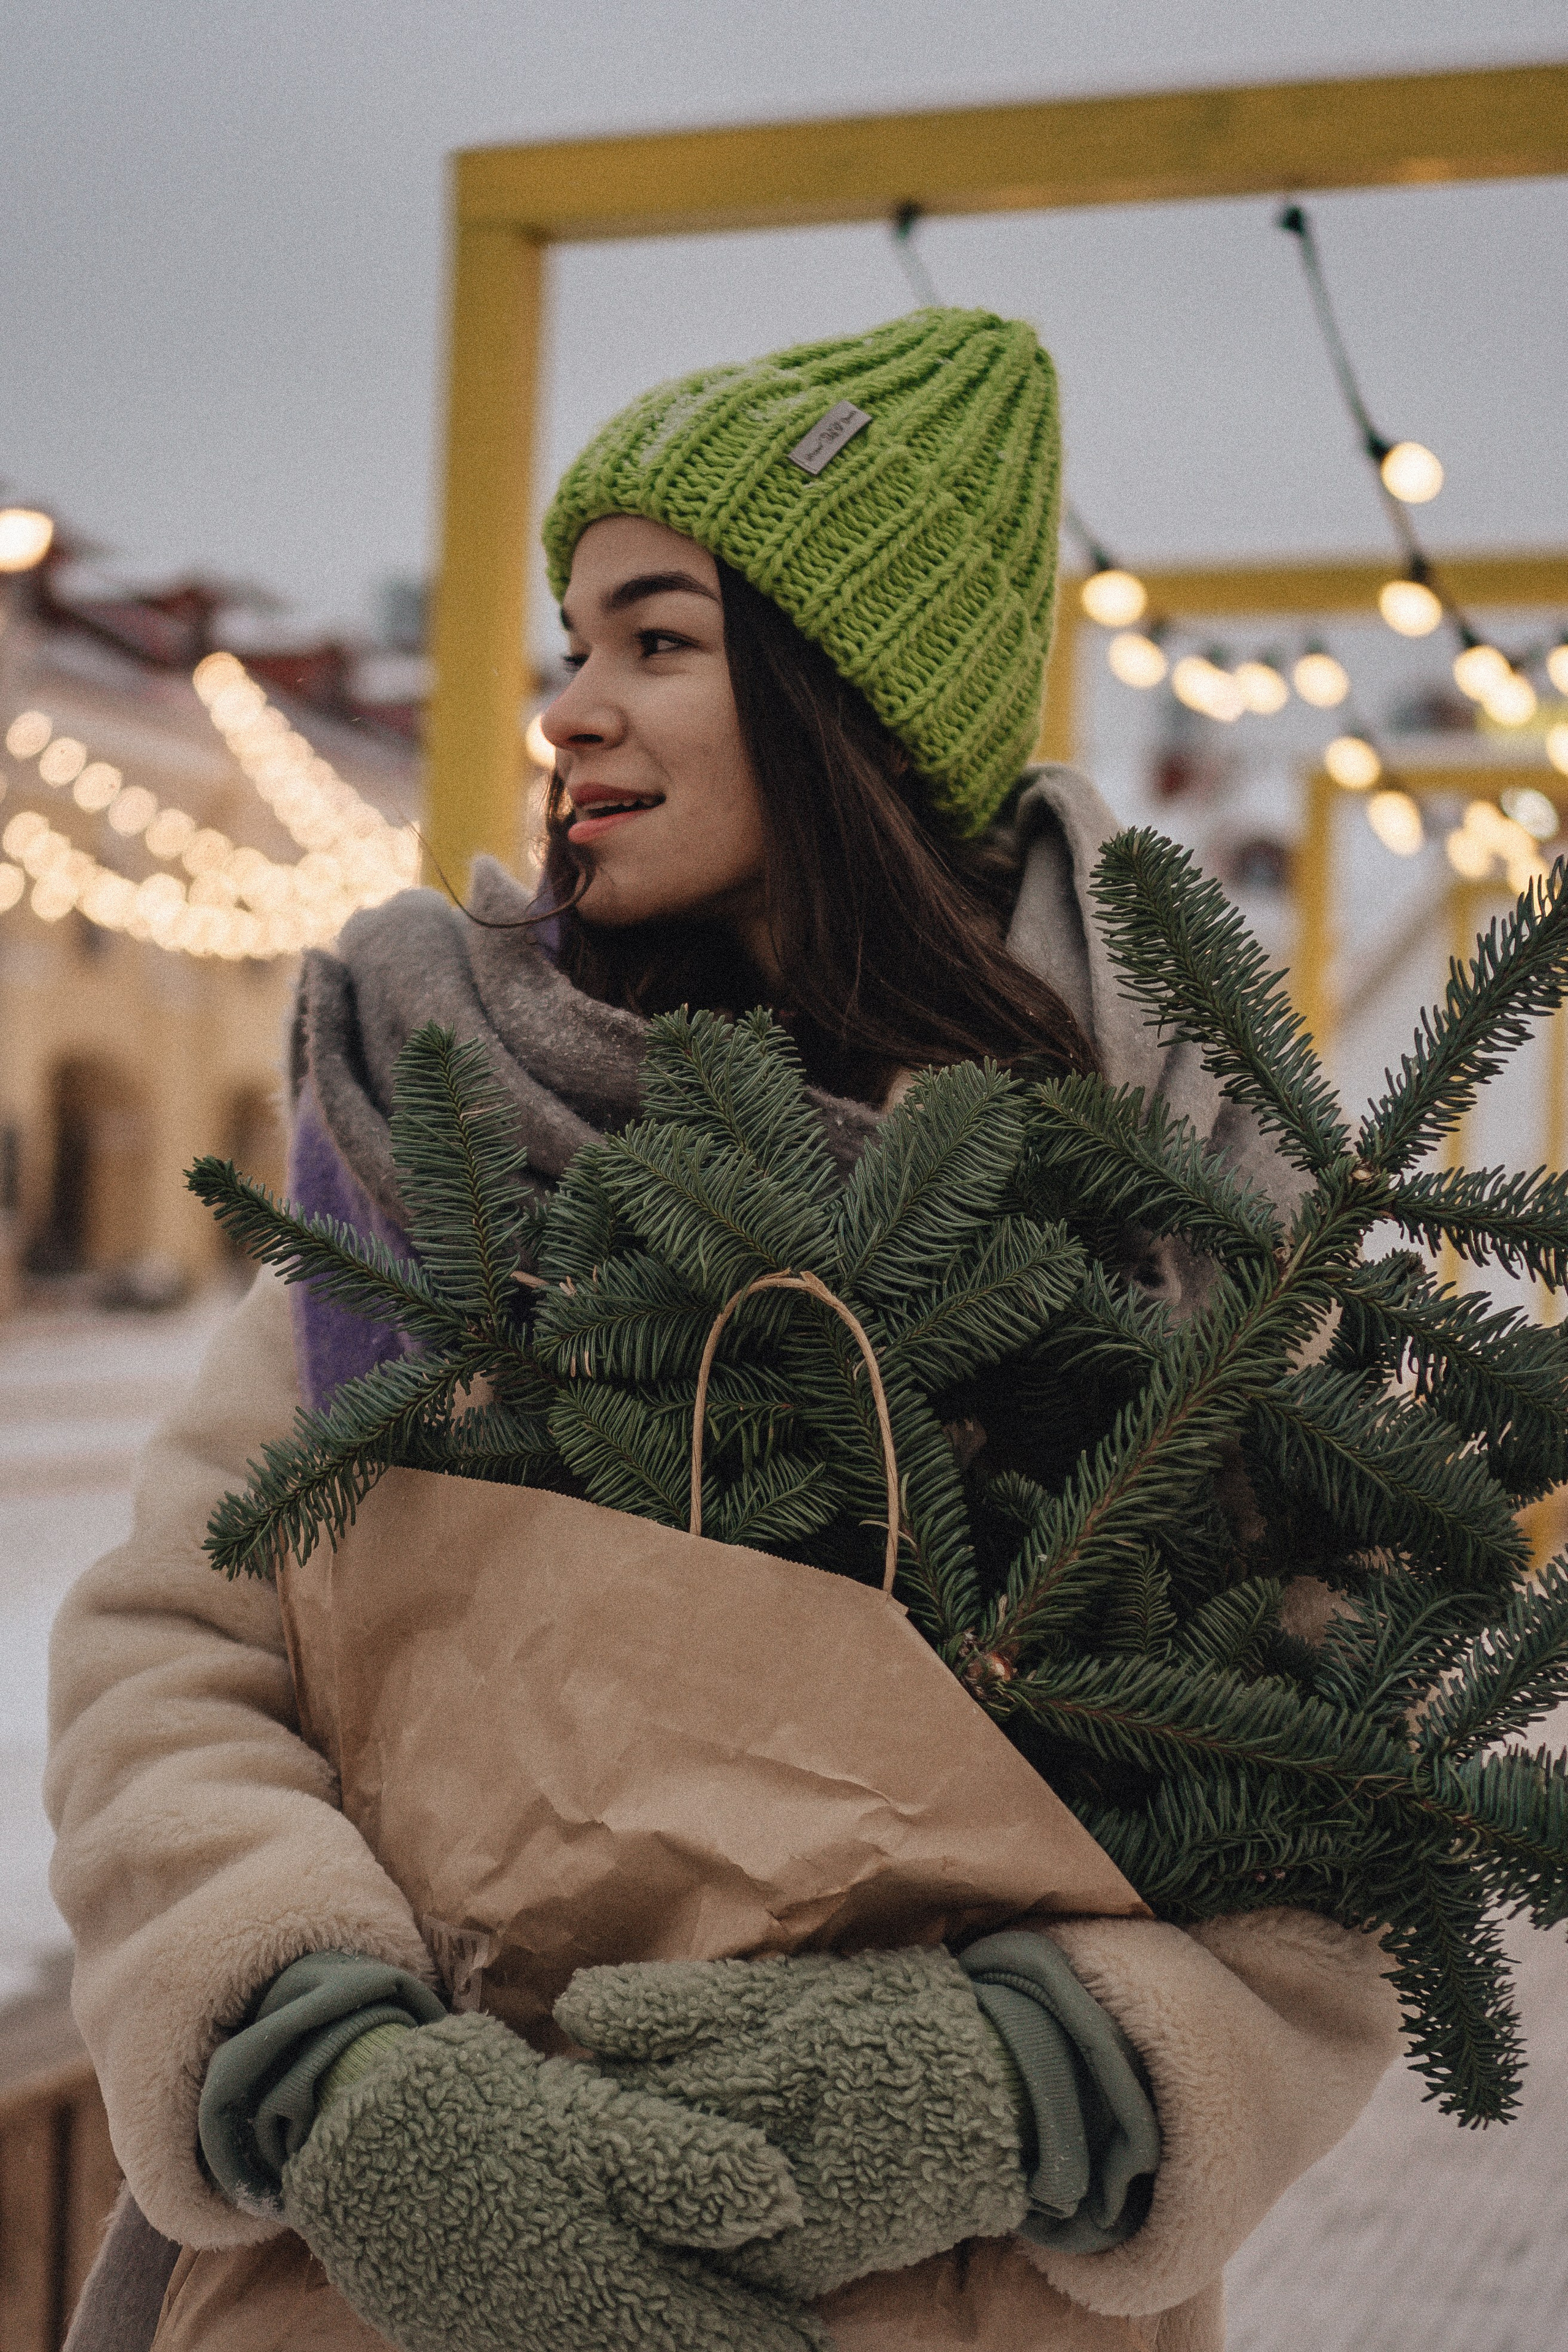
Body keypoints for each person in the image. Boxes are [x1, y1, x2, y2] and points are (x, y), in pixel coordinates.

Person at [49, 307, 1400, 2352]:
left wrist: (1019, 2080)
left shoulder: (1188, 1208)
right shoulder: (445, 1122)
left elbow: (1336, 1797)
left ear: (845, 700)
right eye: (571, 643)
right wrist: (324, 2064)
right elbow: (177, 1654)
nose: (568, 712)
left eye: (655, 643)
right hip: (388, 2291)